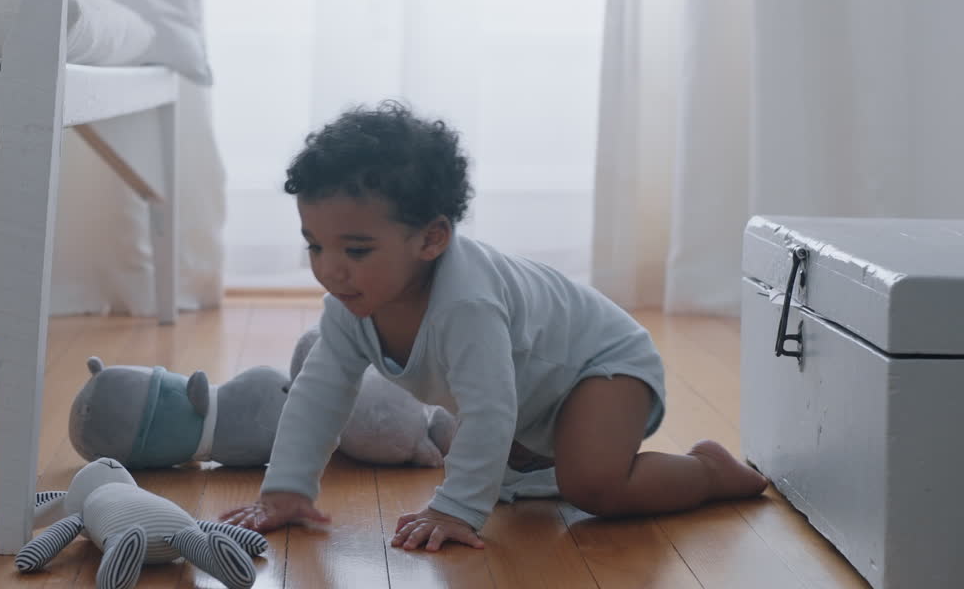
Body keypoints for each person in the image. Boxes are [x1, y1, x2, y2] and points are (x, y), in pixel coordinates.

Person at [220, 101, 767, 552]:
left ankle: (708, 471)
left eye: (356, 249)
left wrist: (455, 508)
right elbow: (318, 394)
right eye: (314, 245)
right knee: (479, 447)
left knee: (593, 485)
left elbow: (491, 408)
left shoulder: (466, 305)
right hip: (532, 391)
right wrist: (287, 489)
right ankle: (538, 458)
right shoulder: (350, 302)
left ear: (432, 239)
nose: (329, 268)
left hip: (601, 368)